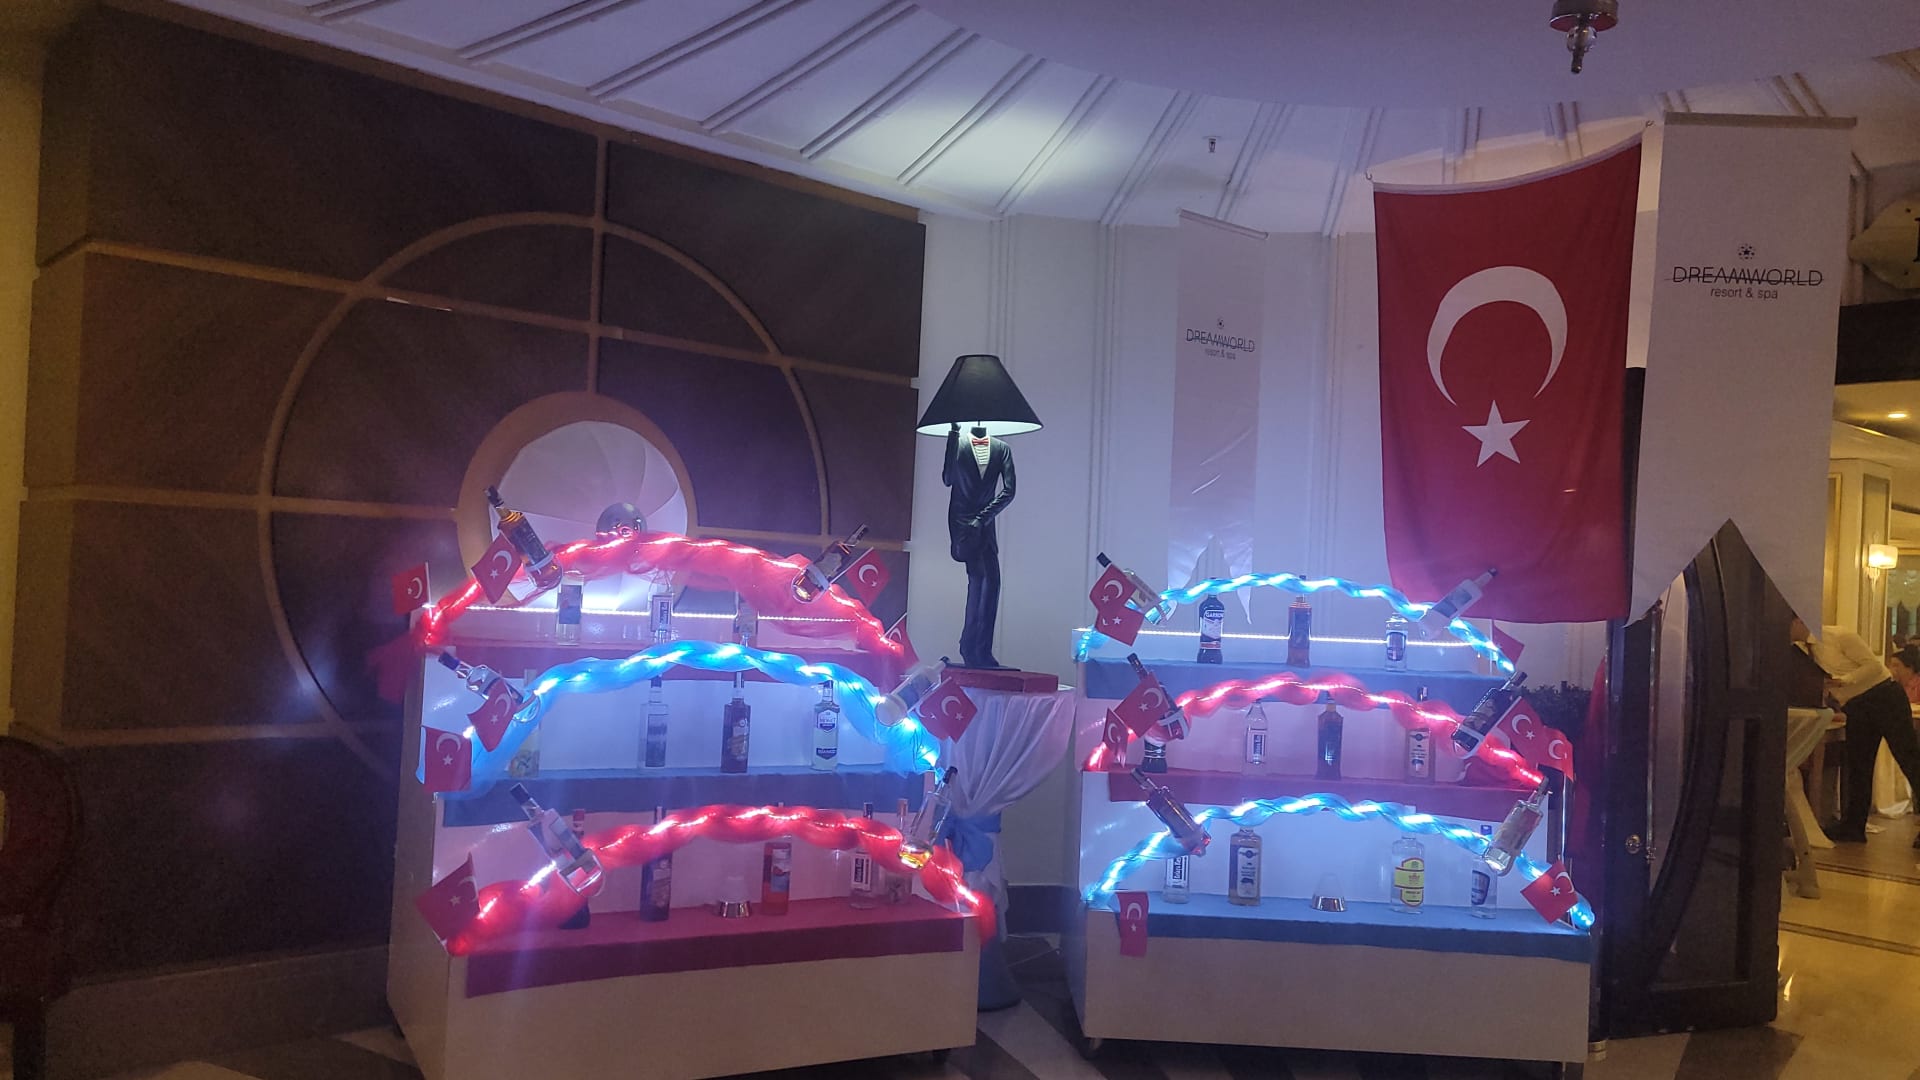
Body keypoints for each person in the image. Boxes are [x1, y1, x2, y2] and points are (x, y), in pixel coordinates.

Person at [1793, 617, 1920, 845]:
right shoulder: (1801, 651)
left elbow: (1873, 666)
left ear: (1799, 621)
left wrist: (1843, 681)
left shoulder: (1838, 635)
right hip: (1855, 705)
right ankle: (1854, 827)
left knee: (1909, 760)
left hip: (1884, 696)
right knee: (1858, 766)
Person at [943, 422, 1016, 669]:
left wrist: (983, 518)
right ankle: (972, 647)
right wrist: (953, 435)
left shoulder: (1002, 449)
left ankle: (978, 648)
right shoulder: (958, 443)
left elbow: (1009, 491)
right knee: (979, 578)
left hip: (984, 522)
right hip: (962, 521)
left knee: (991, 582)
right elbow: (948, 478)